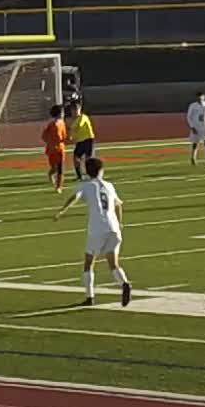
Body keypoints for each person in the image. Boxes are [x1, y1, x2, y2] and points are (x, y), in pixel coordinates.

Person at [53, 157, 132, 307]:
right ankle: (124, 283)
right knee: (113, 263)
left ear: (86, 171)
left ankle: (89, 297)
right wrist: (120, 223)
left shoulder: (86, 185)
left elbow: (75, 197)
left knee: (89, 263)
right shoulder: (109, 185)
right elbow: (118, 205)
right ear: (101, 171)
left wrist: (62, 210)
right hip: (113, 227)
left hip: (97, 228)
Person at [41, 105, 68, 193]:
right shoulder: (52, 125)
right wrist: (50, 142)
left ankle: (59, 187)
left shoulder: (62, 123)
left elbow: (64, 136)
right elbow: (44, 136)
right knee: (54, 168)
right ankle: (50, 174)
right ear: (58, 113)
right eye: (62, 112)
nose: (64, 114)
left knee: (60, 168)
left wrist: (65, 139)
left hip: (60, 148)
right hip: (52, 149)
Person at [66, 102, 95, 181]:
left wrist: (69, 127)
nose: (74, 112)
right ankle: (79, 176)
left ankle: (91, 175)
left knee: (88, 159)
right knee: (76, 158)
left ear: (79, 110)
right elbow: (73, 133)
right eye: (73, 110)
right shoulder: (74, 120)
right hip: (80, 142)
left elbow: (79, 125)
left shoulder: (83, 117)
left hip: (88, 140)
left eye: (76, 110)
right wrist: (71, 137)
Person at [186, 90, 205, 168]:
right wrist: (192, 126)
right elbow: (189, 116)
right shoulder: (193, 105)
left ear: (204, 97)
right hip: (196, 126)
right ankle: (193, 158)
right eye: (198, 96)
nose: (200, 98)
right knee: (195, 143)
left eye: (201, 96)